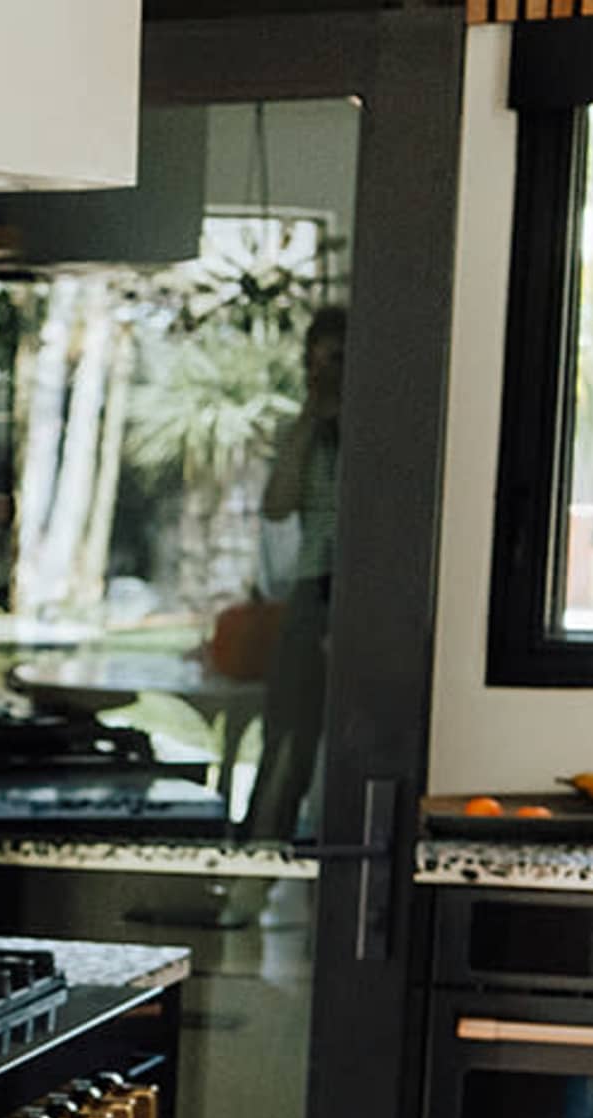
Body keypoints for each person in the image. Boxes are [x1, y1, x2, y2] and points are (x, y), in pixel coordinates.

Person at [241, 306, 345, 841]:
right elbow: (278, 505)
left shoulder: (374, 433)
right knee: (286, 738)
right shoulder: (304, 433)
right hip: (312, 589)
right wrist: (310, 419)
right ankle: (257, 857)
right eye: (314, 361)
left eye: (336, 360)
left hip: (358, 594)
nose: (323, 372)